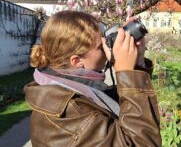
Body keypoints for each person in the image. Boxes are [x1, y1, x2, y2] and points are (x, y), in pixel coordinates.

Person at [24, 10, 162, 147]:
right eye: (100, 46)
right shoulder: (72, 114)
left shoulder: (74, 88)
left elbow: (126, 106)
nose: (106, 46)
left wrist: (136, 62)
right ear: (77, 61)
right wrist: (126, 72)